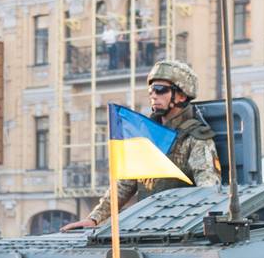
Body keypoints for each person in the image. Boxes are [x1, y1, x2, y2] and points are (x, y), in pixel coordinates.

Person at [64, 59, 221, 229]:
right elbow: (125, 184)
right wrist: (94, 219)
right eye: (151, 90)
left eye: (160, 90)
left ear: (181, 96)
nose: (153, 95)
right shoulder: (146, 135)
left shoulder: (196, 138)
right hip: (145, 225)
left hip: (180, 227)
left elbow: (208, 190)